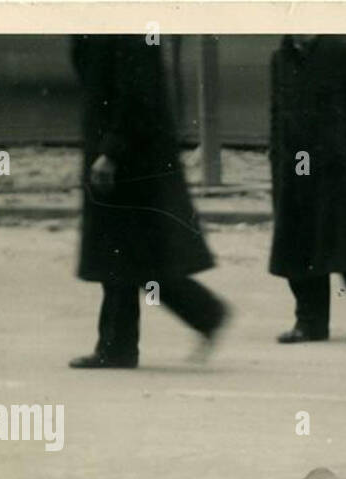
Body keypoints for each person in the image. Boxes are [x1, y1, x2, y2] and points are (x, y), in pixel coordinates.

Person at [70, 35, 229, 369]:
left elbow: (138, 93)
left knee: (135, 256)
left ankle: (199, 315)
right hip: (119, 151)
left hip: (131, 158)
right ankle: (120, 346)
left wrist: (112, 151)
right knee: (126, 256)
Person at [268, 34, 346, 343]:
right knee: (300, 248)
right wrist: (277, 165)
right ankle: (310, 322)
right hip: (295, 171)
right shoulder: (282, 58)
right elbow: (277, 116)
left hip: (338, 172)